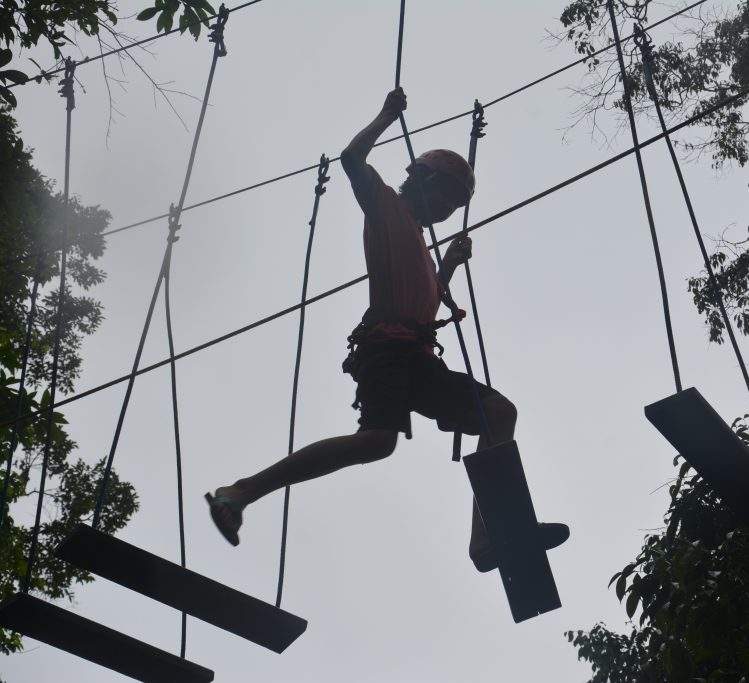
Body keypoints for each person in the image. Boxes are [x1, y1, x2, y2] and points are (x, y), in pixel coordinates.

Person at [206, 88, 568, 572]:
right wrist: (385, 115)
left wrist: (448, 268)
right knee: (379, 442)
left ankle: (486, 537)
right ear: (423, 179)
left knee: (498, 414)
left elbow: (423, 303)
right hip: (388, 351)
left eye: (455, 205)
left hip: (414, 354)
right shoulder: (385, 207)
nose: (448, 210)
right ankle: (241, 492)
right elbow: (352, 159)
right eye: (447, 195)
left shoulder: (418, 239)